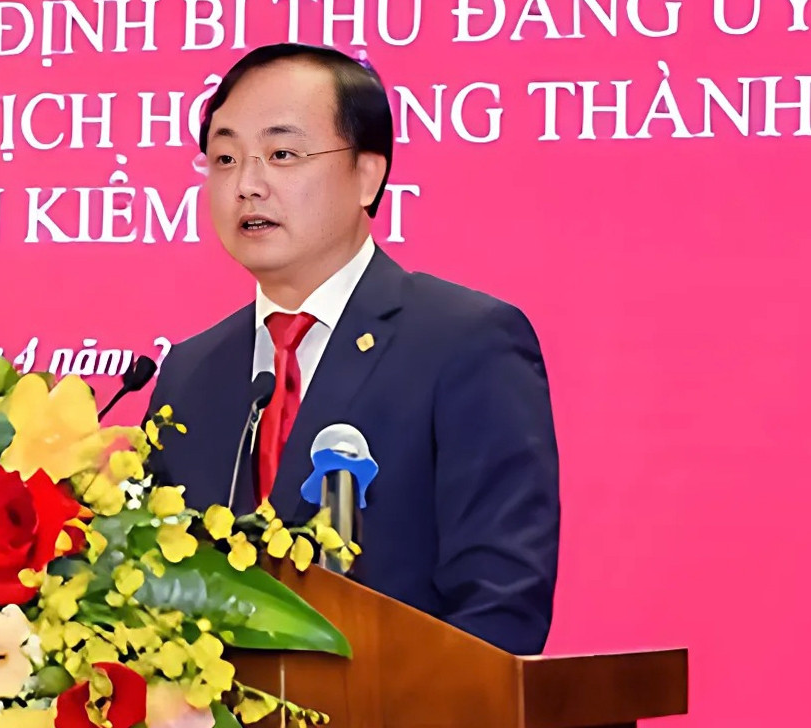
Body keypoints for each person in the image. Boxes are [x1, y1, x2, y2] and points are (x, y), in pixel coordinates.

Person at [143, 42, 560, 656]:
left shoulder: (466, 343)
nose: (247, 185)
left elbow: (501, 611)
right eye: (225, 158)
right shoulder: (191, 372)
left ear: (368, 175)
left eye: (282, 154)